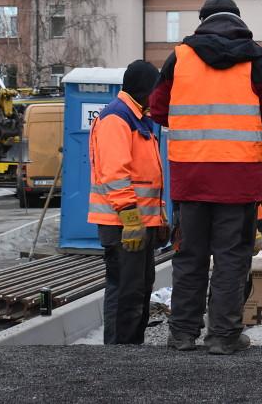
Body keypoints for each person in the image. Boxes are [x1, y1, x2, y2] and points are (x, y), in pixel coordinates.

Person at [150, 0, 262, 355]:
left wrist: (191, 121)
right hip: (239, 178)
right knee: (231, 258)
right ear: (238, 21)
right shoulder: (256, 58)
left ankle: (182, 334)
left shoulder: (179, 57)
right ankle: (223, 336)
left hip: (190, 175)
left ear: (202, 21)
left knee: (189, 257)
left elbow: (157, 108)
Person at [88, 60, 163, 344]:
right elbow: (115, 174)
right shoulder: (116, 119)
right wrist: (132, 219)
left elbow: (149, 177)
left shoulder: (138, 118)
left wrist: (159, 218)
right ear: (145, 90)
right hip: (123, 224)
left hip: (136, 223)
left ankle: (131, 349)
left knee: (139, 289)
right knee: (125, 291)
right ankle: (119, 354)